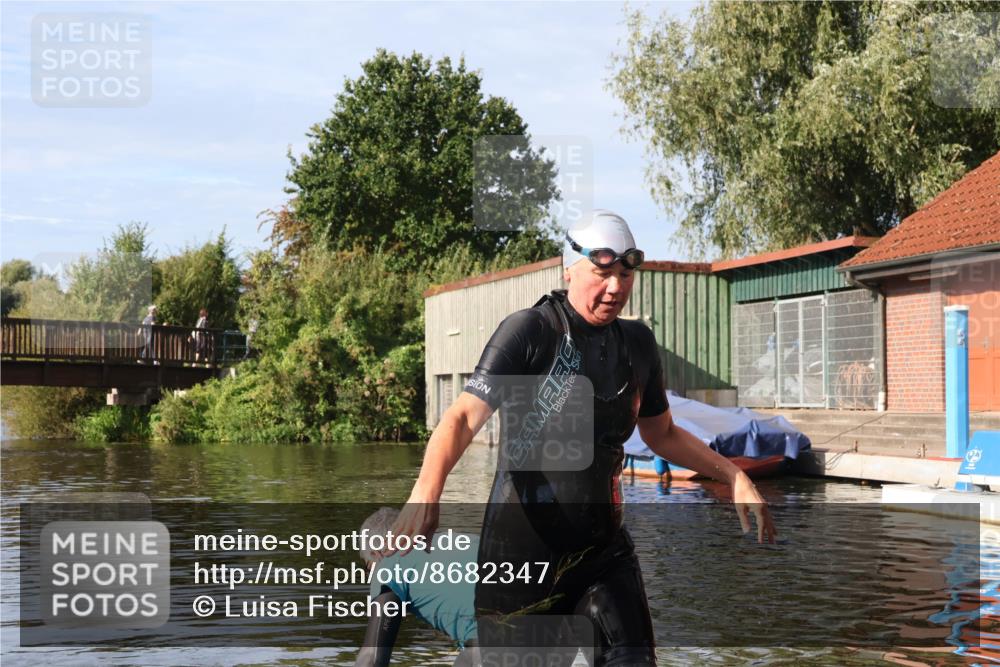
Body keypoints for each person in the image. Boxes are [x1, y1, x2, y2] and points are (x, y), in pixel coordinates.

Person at [386, 210, 777, 666]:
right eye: (602, 272)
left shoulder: (638, 345)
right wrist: (425, 493)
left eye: (625, 274)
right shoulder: (530, 332)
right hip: (521, 560)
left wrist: (733, 476)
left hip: (604, 554)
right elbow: (461, 417)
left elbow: (663, 433)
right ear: (568, 268)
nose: (615, 287)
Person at [354, 507, 479, 667]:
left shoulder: (388, 564)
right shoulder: (462, 540)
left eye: (368, 567)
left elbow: (372, 658)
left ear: (375, 554)